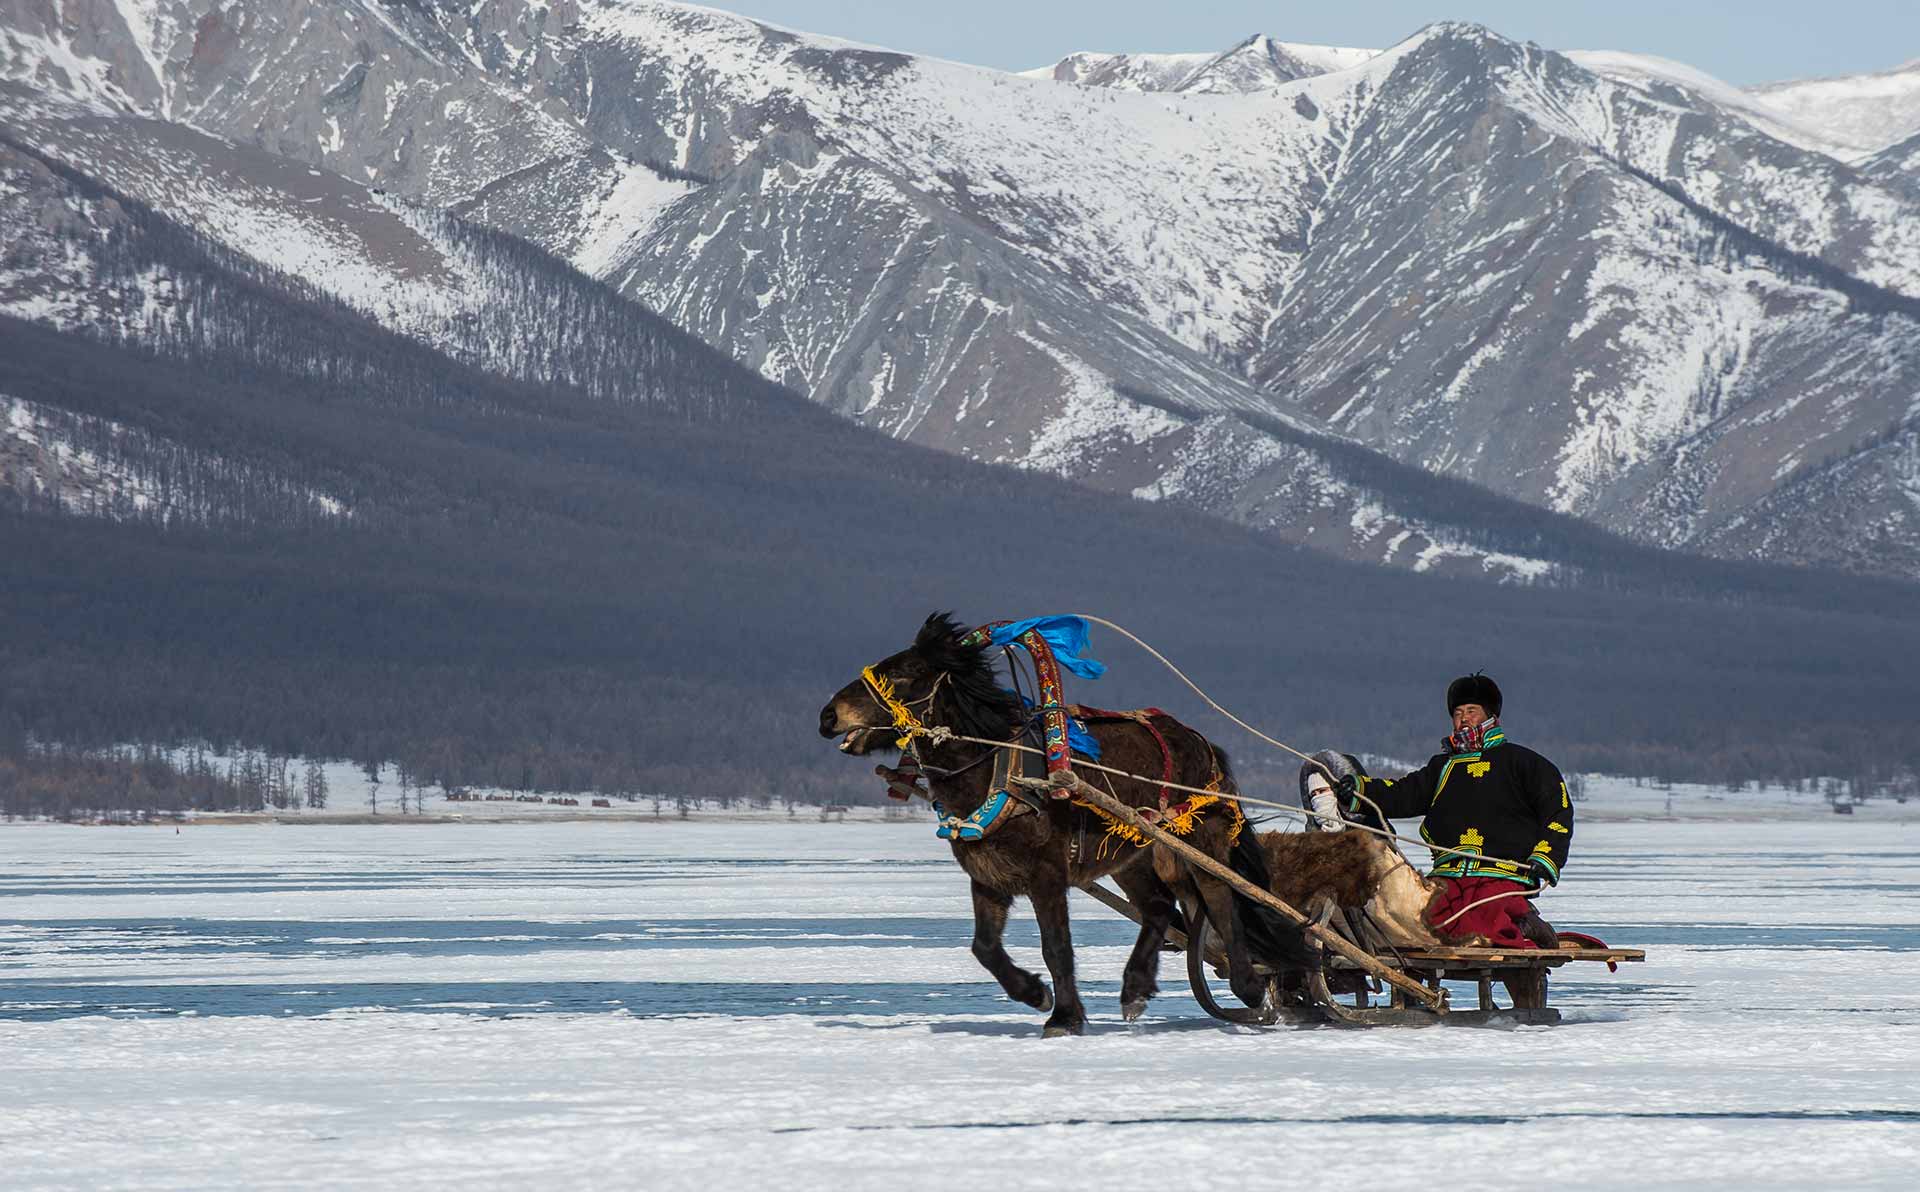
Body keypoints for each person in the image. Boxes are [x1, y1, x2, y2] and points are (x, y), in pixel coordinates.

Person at [1308, 673, 1572, 949]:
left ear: (1492, 716)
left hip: (1503, 874)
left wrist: (1546, 856)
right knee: (1421, 918)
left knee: (1487, 916)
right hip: (1447, 877)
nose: (1464, 719)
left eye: (1472, 711)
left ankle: (1526, 924)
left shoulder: (1526, 764)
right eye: (1458, 713)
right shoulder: (1442, 766)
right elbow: (1402, 794)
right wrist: (1360, 791)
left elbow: (1558, 812)